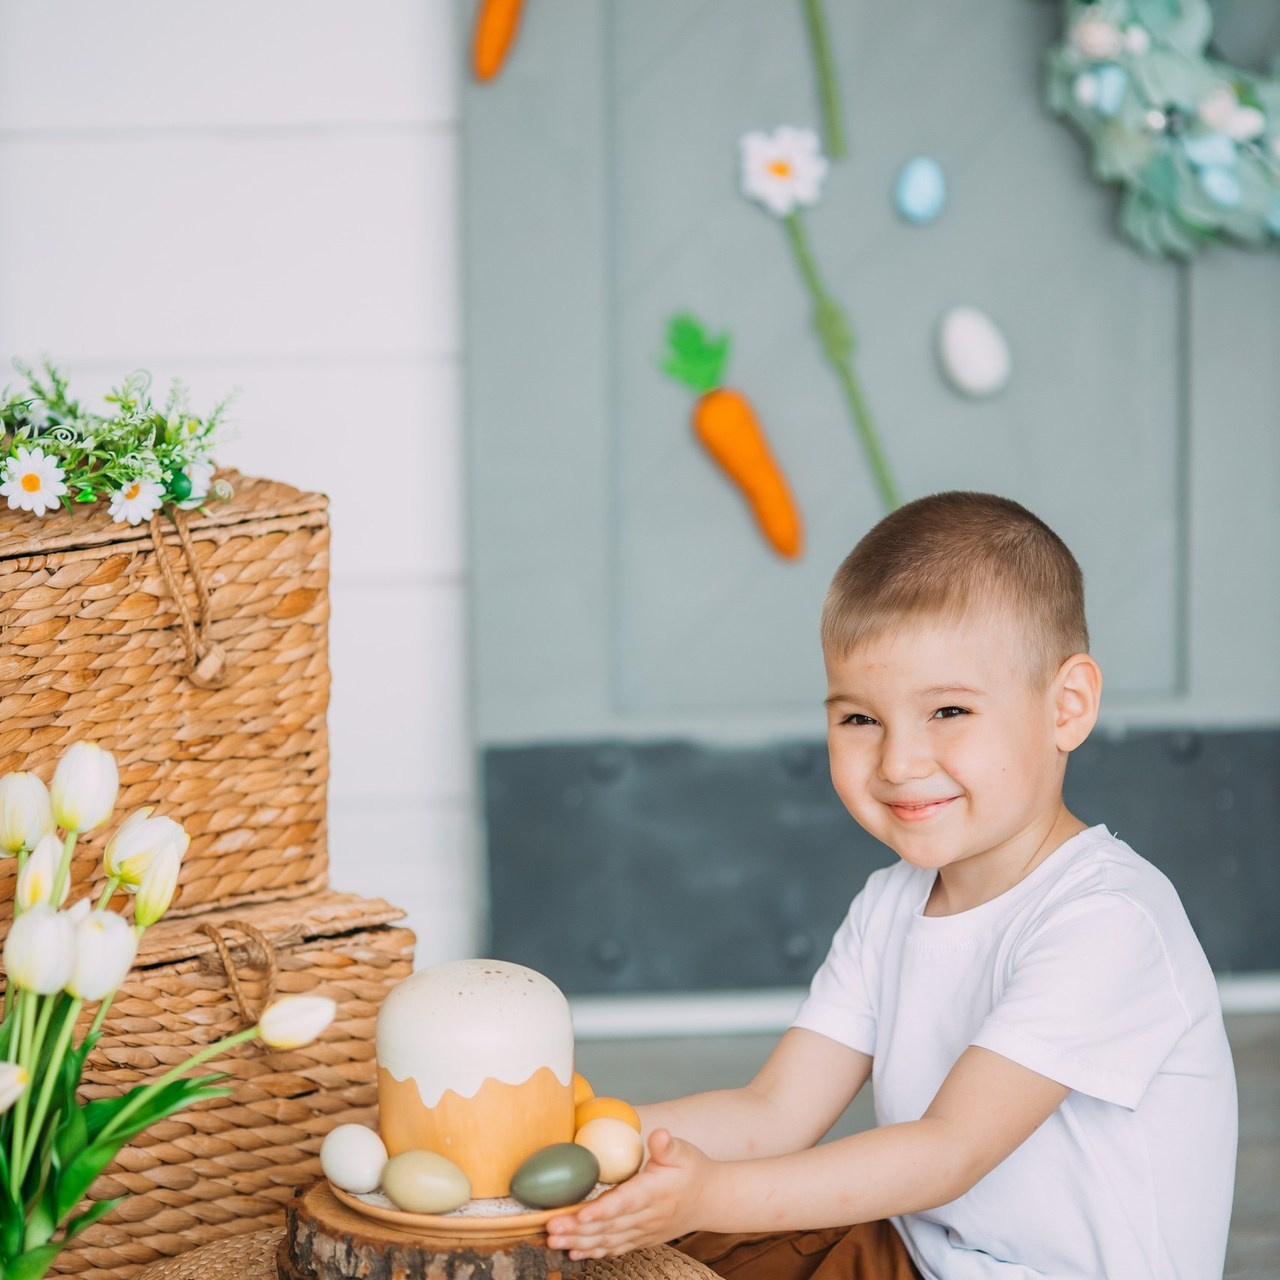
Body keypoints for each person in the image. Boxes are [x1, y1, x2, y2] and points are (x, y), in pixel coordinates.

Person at [547, 492, 1238, 1279]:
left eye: (948, 709)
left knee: (703, 1212)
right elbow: (773, 1112)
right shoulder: (892, 903)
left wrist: (710, 1197)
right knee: (635, 1226)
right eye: (858, 720)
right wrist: (596, 1136)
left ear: (1067, 707)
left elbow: (948, 1151)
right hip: (916, 1255)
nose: (898, 762)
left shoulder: (1108, 921)